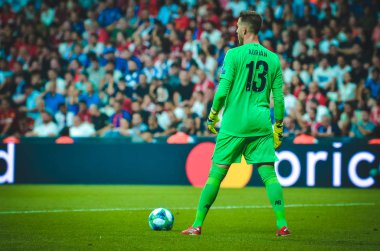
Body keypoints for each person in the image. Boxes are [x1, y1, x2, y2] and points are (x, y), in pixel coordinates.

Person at [181, 11, 290, 237]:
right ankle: (282, 224)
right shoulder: (273, 59)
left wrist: (212, 116)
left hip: (234, 123)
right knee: (269, 175)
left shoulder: (233, 54)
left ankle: (197, 224)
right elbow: (278, 99)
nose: (236, 30)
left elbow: (222, 92)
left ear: (245, 30)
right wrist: (278, 127)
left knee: (216, 175)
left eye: (238, 26)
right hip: (260, 123)